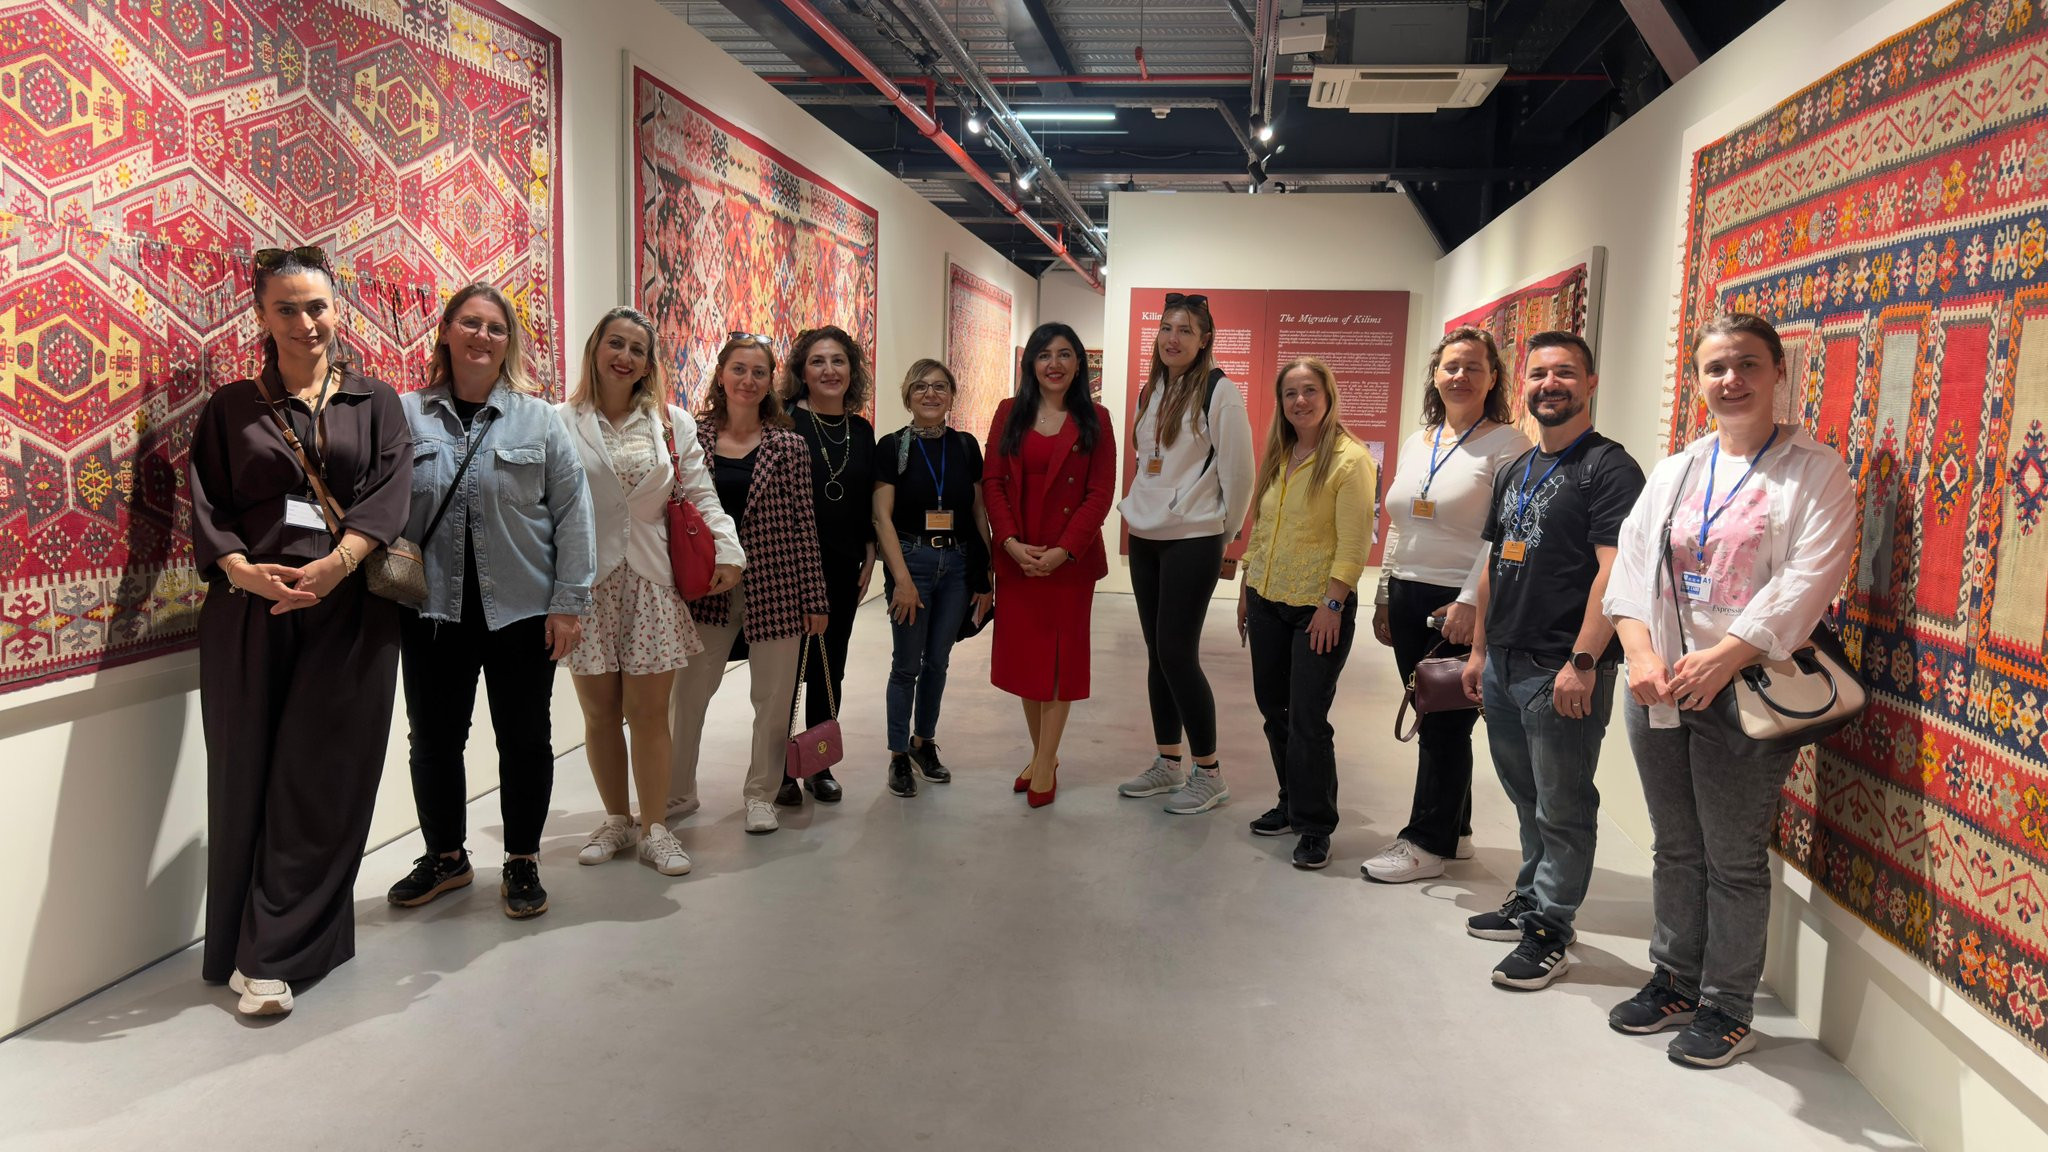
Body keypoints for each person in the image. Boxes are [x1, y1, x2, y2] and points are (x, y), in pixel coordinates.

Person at [1603, 313, 1855, 1068]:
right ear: (1698, 380)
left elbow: (1810, 579)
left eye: (1747, 363)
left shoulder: (1815, 470)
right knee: (1675, 845)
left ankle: (1727, 1006)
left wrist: (1723, 657)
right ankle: (1674, 980)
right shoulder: (1678, 469)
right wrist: (1638, 653)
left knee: (1733, 857)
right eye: (1715, 367)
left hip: (1745, 689)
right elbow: (1631, 568)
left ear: (1778, 371)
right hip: (1660, 686)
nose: (1731, 379)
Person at [189, 245, 412, 1016]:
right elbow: (207, 502)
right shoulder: (230, 407)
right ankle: (244, 943)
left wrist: (337, 567)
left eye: (316, 306)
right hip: (250, 612)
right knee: (246, 773)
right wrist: (241, 571)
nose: (304, 322)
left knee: (325, 777)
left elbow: (392, 493)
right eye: (285, 308)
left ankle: (273, 956)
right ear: (261, 315)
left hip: (351, 611)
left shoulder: (376, 402)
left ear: (336, 310)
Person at [385, 283, 595, 920]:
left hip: (523, 612)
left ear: (509, 343)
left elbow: (573, 513)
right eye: (470, 323)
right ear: (446, 332)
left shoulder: (540, 421)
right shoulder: (404, 414)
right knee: (434, 740)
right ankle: (446, 856)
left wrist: (569, 603)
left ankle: (522, 858)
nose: (482, 336)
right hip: (432, 612)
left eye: (496, 328)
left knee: (525, 739)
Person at [1460, 330, 1645, 990]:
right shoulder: (1516, 468)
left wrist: (1584, 661)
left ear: (1590, 383)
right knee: (1526, 795)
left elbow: (1613, 572)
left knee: (1563, 804)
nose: (1550, 384)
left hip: (1561, 667)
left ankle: (1550, 930)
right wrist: (1479, 650)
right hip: (1507, 662)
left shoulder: (1610, 469)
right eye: (1539, 373)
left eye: (1565, 372)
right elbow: (1494, 561)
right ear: (1525, 385)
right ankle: (1531, 896)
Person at [559, 307, 743, 878]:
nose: (625, 357)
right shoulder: (561, 420)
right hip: (586, 584)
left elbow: (701, 492)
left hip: (651, 582)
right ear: (595, 349)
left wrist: (728, 549)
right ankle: (617, 819)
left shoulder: (670, 422)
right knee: (598, 713)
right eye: (615, 343)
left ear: (647, 364)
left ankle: (655, 827)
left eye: (637, 349)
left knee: (648, 714)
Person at [1362, 328, 1531, 882]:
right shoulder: (1420, 440)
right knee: (1432, 712)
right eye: (1451, 366)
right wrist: (1385, 593)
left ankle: (1424, 844)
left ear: (1493, 378)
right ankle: (1455, 832)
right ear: (1435, 374)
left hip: (1457, 601)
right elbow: (1398, 522)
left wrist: (1469, 602)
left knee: (1443, 725)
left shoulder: (1508, 445)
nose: (1460, 376)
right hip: (1407, 592)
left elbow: (1503, 533)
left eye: (1473, 367)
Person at [669, 334, 831, 834]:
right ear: (721, 375)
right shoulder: (690, 438)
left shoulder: (789, 446)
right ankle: (676, 792)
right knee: (688, 695)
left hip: (777, 584)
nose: (748, 380)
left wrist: (815, 597)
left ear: (770, 382)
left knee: (774, 698)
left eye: (759, 372)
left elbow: (805, 524)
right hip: (707, 585)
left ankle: (761, 793)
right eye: (739, 369)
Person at [1115, 292, 1255, 815]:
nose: (1172, 339)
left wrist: (1225, 535)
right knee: (1157, 654)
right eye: (1166, 328)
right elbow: (1147, 460)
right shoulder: (1152, 388)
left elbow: (1240, 473)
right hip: (1146, 534)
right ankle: (1168, 761)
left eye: (1185, 330)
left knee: (1177, 653)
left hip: (1194, 538)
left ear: (1204, 340)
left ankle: (1210, 773)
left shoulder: (1220, 392)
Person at [1236, 358, 1378, 870]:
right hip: (1268, 598)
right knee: (1273, 709)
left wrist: (1333, 603)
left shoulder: (1350, 459)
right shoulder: (1281, 452)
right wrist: (1247, 587)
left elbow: (1355, 542)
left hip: (1318, 607)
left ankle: (1315, 825)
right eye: (1291, 393)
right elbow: (1262, 527)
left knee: (1307, 718)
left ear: (1328, 395)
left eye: (1310, 390)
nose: (1300, 401)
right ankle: (1291, 801)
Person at [984, 322, 1117, 807]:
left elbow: (1100, 493)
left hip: (1069, 564)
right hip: (1018, 558)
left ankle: (1044, 763)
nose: (1054, 364)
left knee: (1060, 662)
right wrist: (1010, 543)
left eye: (1064, 354)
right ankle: (1045, 754)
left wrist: (1063, 550)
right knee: (1028, 661)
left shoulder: (1096, 419)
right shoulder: (1008, 413)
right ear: (1031, 364)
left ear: (1079, 364)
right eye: (1044, 355)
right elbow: (992, 481)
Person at [872, 360, 995, 797]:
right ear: (908, 395)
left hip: (957, 566)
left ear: (951, 396)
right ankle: (897, 756)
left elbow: (978, 511)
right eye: (921, 387)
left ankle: (923, 743)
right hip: (913, 562)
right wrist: (901, 580)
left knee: (938, 661)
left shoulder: (965, 446)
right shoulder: (892, 446)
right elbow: (882, 518)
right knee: (906, 665)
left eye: (940, 387)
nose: (930, 394)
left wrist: (986, 573)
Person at [778, 325, 877, 807]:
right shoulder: (784, 423)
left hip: (843, 566)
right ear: (802, 371)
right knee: (782, 671)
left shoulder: (862, 431)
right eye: (817, 361)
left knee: (828, 666)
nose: (829, 370)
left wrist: (871, 550)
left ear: (851, 371)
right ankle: (778, 769)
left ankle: (818, 763)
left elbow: (866, 499)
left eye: (838, 360)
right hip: (789, 568)